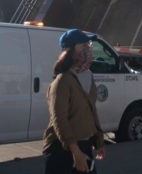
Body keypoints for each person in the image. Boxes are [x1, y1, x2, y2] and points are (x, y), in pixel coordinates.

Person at [42, 29, 106, 173]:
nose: (88, 49)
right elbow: (59, 120)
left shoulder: (88, 76)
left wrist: (99, 139)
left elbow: (91, 110)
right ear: (70, 51)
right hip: (62, 149)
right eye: (83, 46)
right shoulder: (62, 81)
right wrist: (75, 152)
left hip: (84, 145)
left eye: (88, 45)